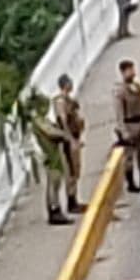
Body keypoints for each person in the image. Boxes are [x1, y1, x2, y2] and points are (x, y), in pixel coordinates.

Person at [26, 92, 73, 226]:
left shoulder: (42, 119)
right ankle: (54, 209)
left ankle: (55, 208)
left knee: (56, 181)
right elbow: (50, 132)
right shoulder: (39, 121)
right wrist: (63, 135)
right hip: (49, 155)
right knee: (54, 183)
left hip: (53, 153)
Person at [113, 60, 140, 192]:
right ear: (123, 72)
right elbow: (119, 113)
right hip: (129, 125)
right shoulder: (120, 91)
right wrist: (123, 132)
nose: (133, 72)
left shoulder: (137, 87)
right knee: (129, 157)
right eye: (130, 70)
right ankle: (131, 182)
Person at [52, 74, 87, 214]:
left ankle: (74, 199)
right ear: (65, 84)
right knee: (72, 171)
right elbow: (63, 122)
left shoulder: (69, 100)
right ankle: (71, 202)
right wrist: (70, 139)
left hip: (75, 137)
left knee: (76, 170)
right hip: (69, 140)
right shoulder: (61, 102)